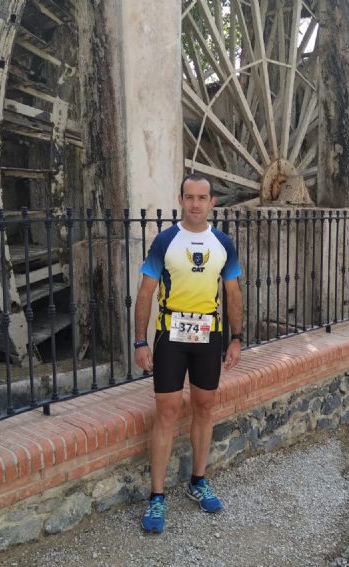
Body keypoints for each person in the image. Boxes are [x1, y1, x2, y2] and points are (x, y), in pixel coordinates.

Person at [133, 173, 244, 534]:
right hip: (171, 336)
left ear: (212, 202)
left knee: (204, 407)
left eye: (202, 197)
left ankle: (198, 480)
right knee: (166, 411)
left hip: (209, 336)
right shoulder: (165, 241)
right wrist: (140, 341)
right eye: (190, 197)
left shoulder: (223, 243)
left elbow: (232, 293)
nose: (196, 204)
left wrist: (236, 338)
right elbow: (146, 293)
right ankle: (157, 496)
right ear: (180, 199)